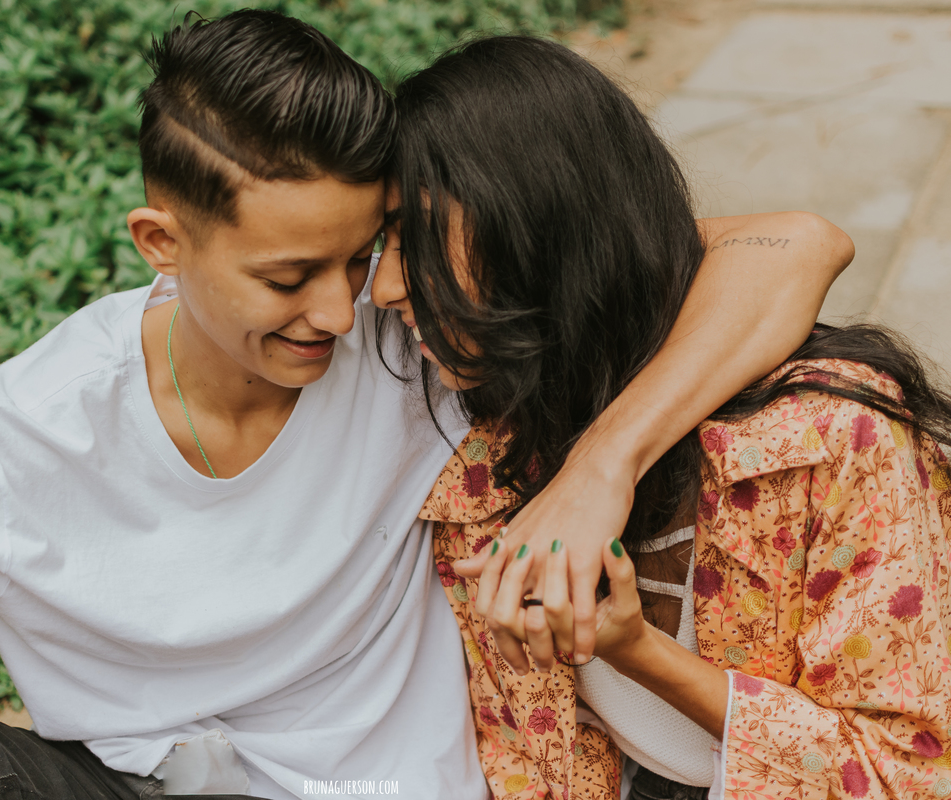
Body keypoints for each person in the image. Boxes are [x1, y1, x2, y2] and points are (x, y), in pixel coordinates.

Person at [0, 12, 853, 800]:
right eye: (288, 277)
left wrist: (598, 464)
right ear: (162, 245)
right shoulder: (36, 434)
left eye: (363, 253)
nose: (341, 308)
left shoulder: (413, 335)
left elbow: (796, 246)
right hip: (142, 781)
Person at [372, 33, 951, 799]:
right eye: (380, 241)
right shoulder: (480, 457)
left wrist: (634, 649)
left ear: (534, 225)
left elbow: (909, 775)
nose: (382, 287)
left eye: (411, 235)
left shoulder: (829, 446)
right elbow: (525, 759)